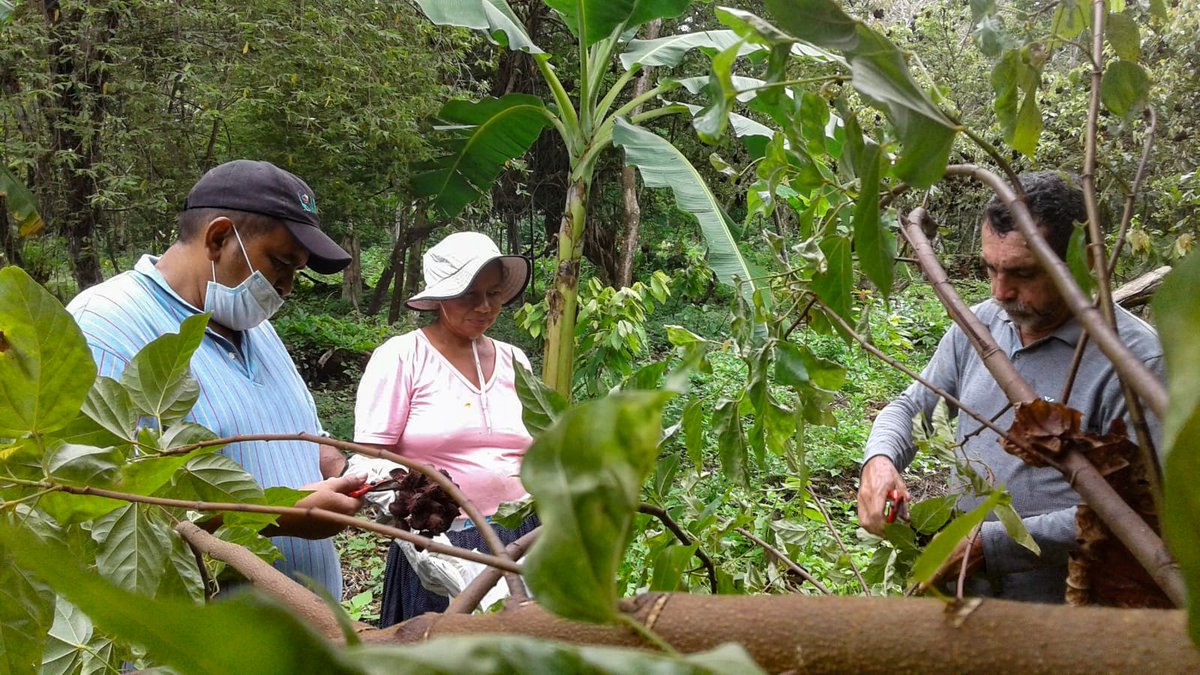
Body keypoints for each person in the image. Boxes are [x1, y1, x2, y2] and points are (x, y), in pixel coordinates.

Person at [856, 171, 1164, 602]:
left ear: (1085, 260)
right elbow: (910, 408)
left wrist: (990, 543)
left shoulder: (1137, 363)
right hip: (973, 593)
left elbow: (1143, 514)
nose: (1000, 291)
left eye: (1023, 273)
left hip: (1073, 608)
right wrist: (880, 460)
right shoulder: (979, 325)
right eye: (990, 268)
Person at [67, 159, 366, 599]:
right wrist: (271, 513)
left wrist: (363, 475)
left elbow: (311, 443)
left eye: (295, 273)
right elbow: (98, 510)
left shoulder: (257, 329)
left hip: (303, 639)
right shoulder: (105, 327)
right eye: (280, 264)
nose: (284, 287)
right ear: (219, 237)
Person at [350, 231, 539, 626]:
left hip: (523, 535)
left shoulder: (514, 360)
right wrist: (422, 534)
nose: (485, 307)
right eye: (469, 295)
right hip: (443, 544)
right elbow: (369, 460)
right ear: (439, 298)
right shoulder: (402, 357)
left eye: (493, 293)